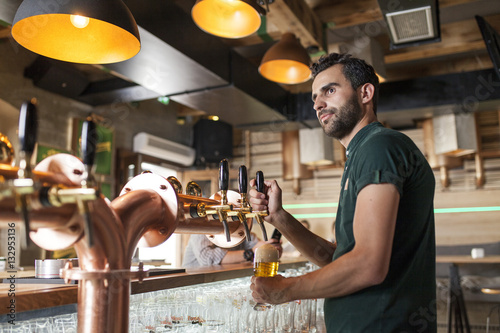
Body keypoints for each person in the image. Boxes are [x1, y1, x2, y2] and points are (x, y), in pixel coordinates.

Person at [248, 53, 436, 332]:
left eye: (330, 91)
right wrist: (278, 217)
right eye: (314, 98)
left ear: (366, 93)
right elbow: (338, 259)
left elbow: (368, 265)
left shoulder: (379, 147)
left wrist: (285, 290)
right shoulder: (361, 154)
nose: (318, 104)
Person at [182, 232, 282, 268]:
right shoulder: (204, 229)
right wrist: (251, 253)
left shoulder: (241, 230)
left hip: (220, 286)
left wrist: (272, 249)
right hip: (193, 287)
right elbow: (207, 258)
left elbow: (259, 248)